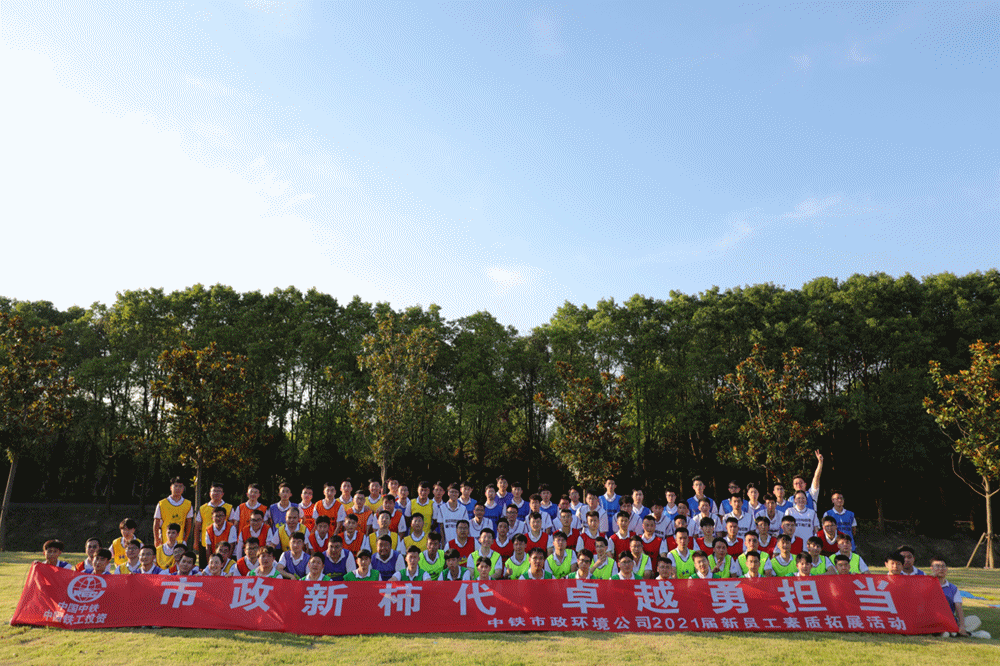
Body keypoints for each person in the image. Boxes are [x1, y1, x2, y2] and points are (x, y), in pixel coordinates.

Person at [930, 558, 989, 639]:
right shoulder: (926, 584)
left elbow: (958, 607)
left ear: (946, 569)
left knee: (975, 620)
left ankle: (952, 631)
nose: (941, 569)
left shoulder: (953, 588)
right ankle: (968, 634)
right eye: (937, 566)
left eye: (943, 566)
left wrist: (962, 626)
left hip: (950, 621)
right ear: (932, 568)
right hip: (931, 621)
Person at [194, 483, 232, 566]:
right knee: (205, 567)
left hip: (223, 545)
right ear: (210, 493)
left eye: (219, 491)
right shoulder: (203, 508)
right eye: (214, 491)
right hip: (205, 543)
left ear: (223, 494)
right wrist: (196, 542)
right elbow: (197, 526)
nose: (216, 493)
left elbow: (232, 525)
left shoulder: (229, 507)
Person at [153, 477, 193, 547]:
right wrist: (156, 539)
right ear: (171, 488)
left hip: (180, 540)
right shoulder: (162, 504)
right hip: (164, 539)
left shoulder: (188, 504)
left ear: (183, 488)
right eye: (175, 486)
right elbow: (156, 522)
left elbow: (188, 523)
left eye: (180, 486)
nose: (178, 488)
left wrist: (185, 539)